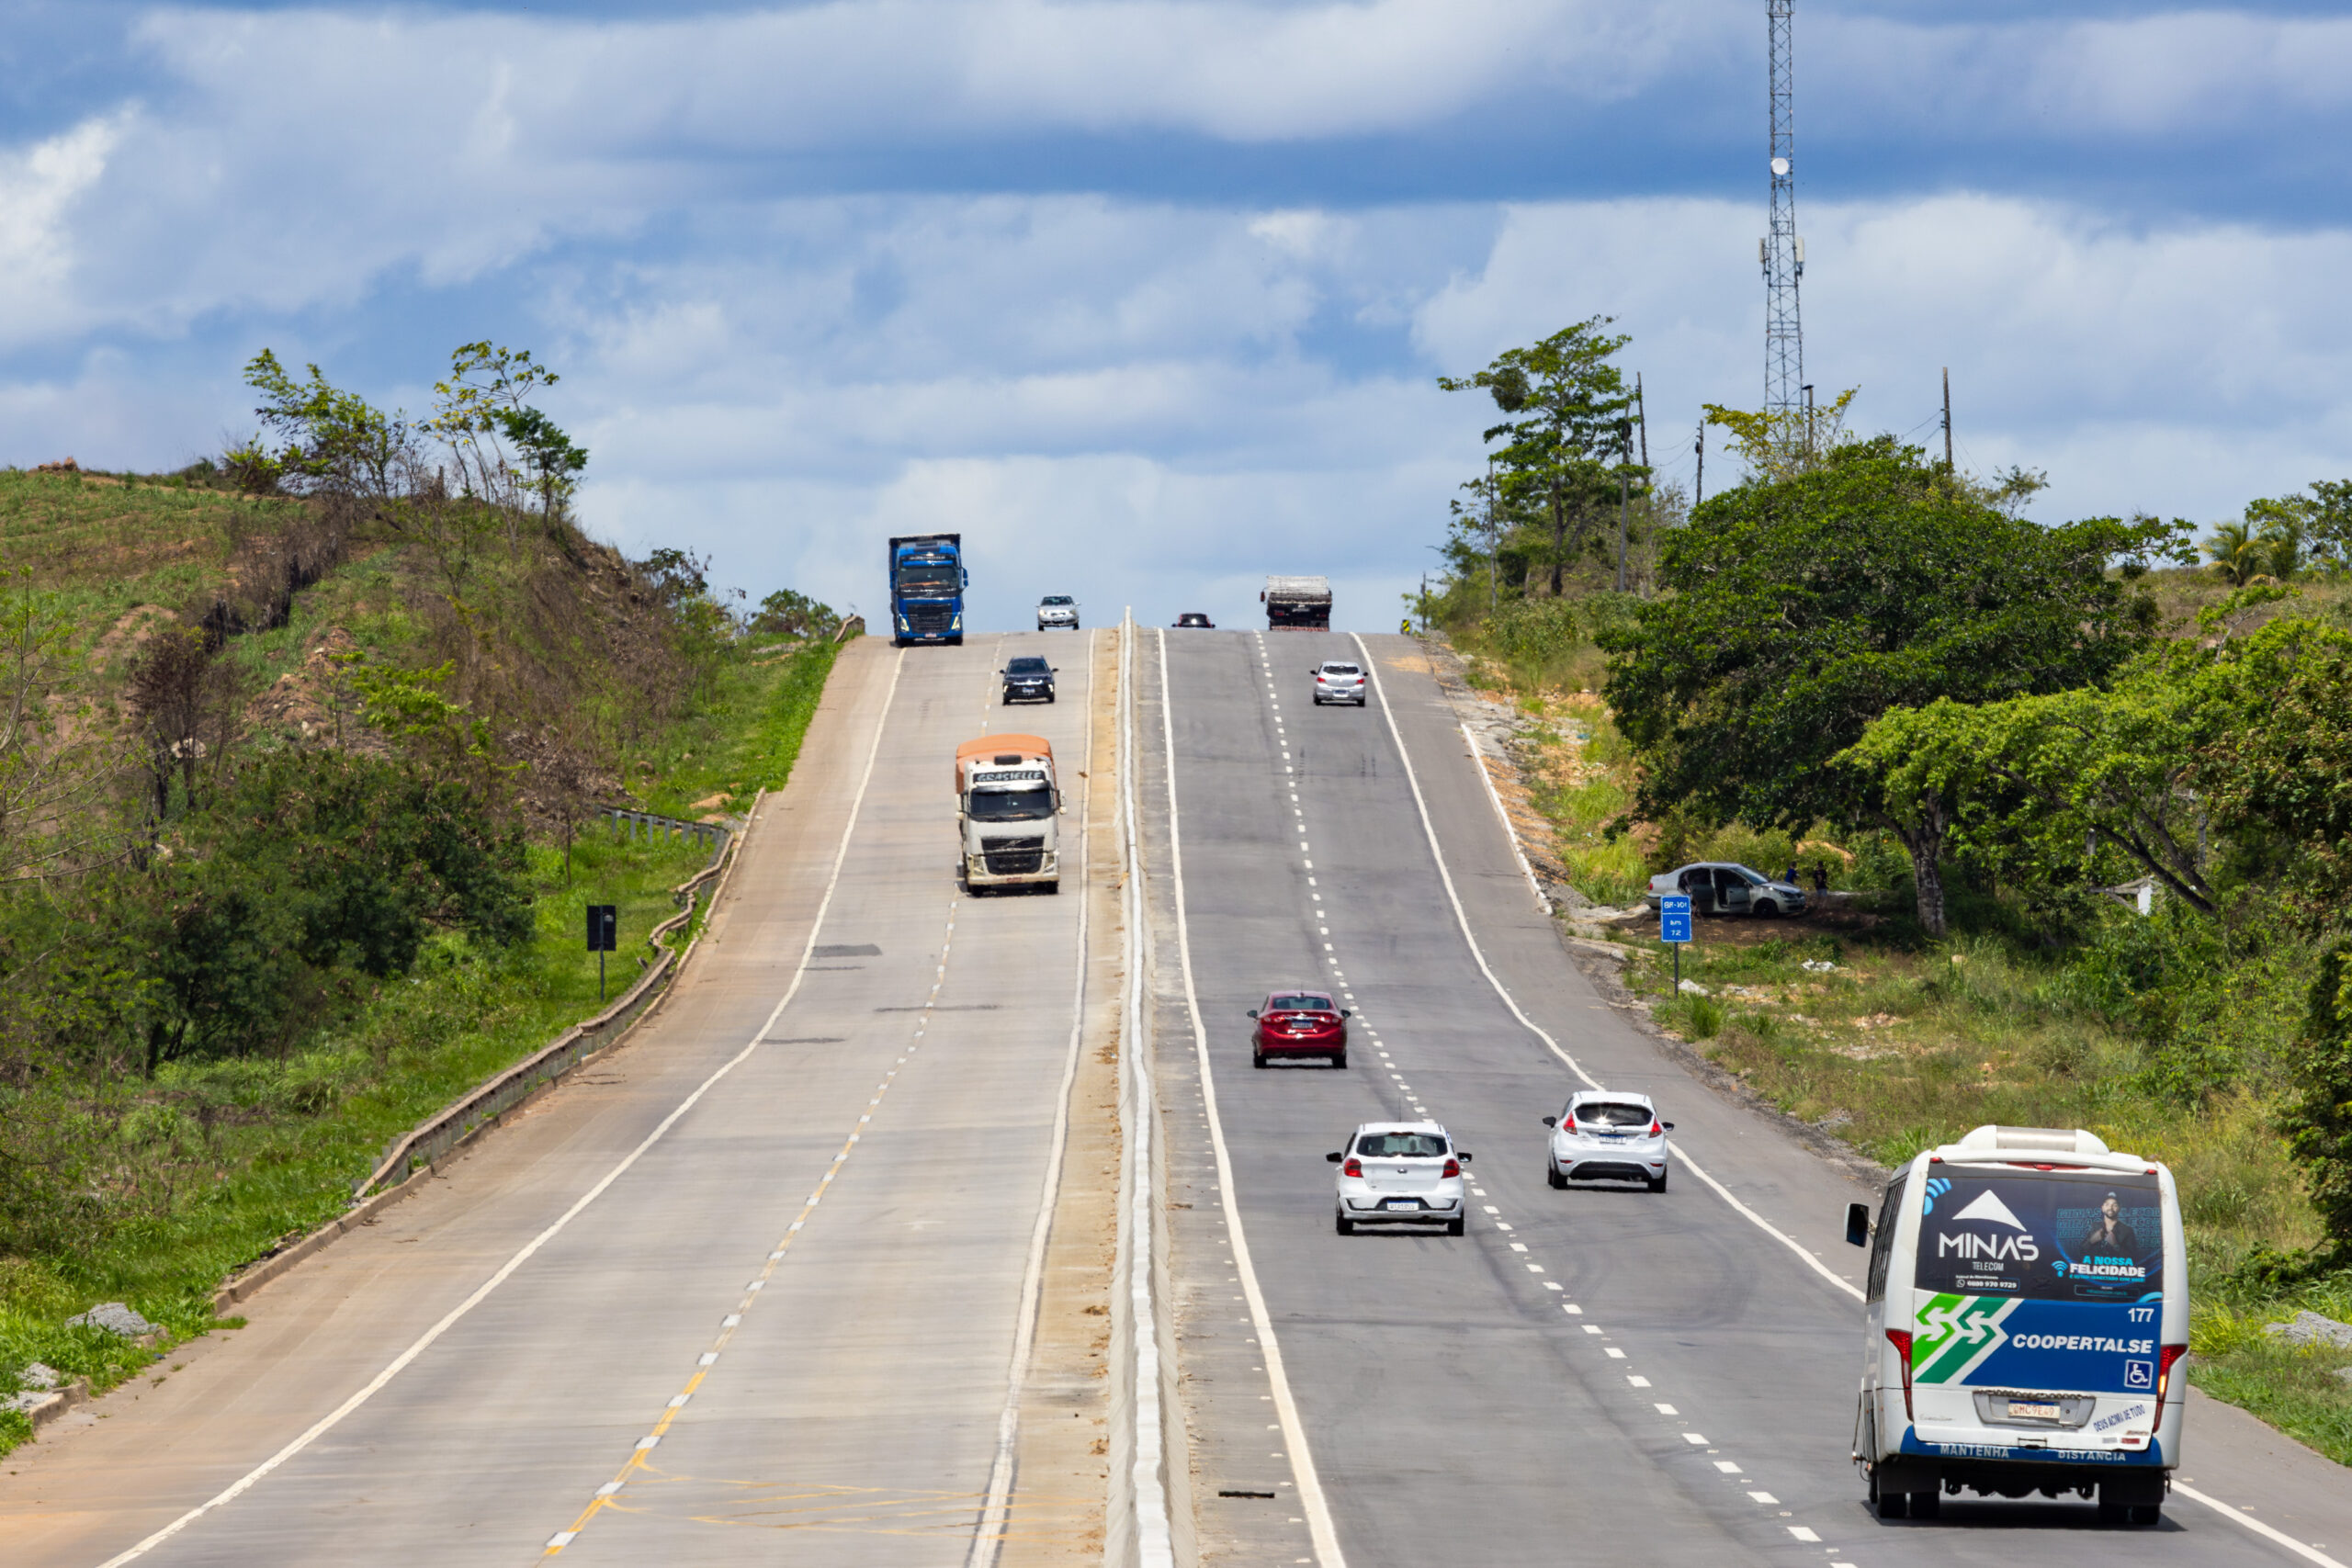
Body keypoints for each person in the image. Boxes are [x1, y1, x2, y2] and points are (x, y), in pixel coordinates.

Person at [2079, 1191, 2141, 1257]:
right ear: (2102, 1208)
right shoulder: (2094, 1227)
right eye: (2107, 1204)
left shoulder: (2127, 1231)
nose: (2110, 1208)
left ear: (2119, 1208)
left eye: (2115, 1205)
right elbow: (2081, 1251)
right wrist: (2091, 1241)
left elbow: (2133, 1258)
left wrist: (2115, 1245)